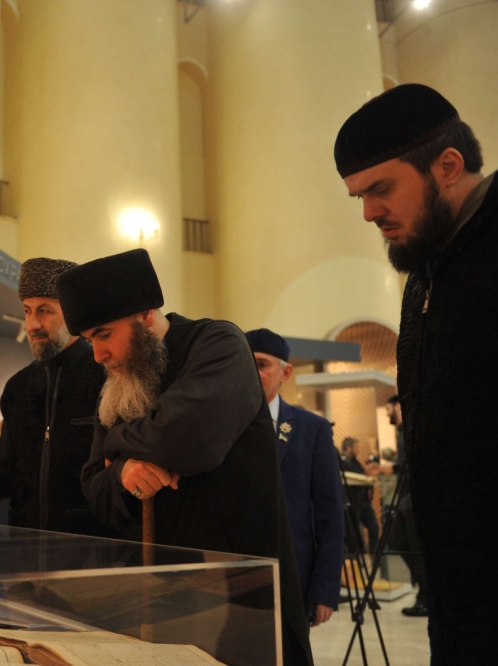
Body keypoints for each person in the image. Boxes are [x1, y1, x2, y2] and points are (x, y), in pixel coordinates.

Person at [335, 83, 498, 663]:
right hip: (466, 610)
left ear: (448, 166)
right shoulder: (427, 274)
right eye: (359, 196)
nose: (368, 212)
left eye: (381, 189)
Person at [59, 249, 313, 666]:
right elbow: (93, 486)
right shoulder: (121, 379)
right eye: (89, 341)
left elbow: (185, 441)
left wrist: (115, 444)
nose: (97, 355)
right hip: (152, 598)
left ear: (145, 315)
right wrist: (123, 474)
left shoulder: (217, 342)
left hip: (238, 589)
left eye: (104, 335)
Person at [0, 258, 112, 536]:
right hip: (24, 549)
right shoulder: (17, 387)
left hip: (91, 549)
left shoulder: (107, 377)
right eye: (27, 311)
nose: (33, 323)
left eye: (45, 310)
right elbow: (6, 471)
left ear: (72, 313)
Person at [246, 328, 344, 628]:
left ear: (285, 372)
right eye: (245, 363)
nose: (251, 372)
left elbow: (330, 513)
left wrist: (324, 589)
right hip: (235, 576)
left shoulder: (311, 429)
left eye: (262, 364)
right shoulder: (221, 425)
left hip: (294, 575)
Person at [384, 395, 428, 617]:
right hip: (404, 499)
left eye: (388, 408)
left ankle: (426, 597)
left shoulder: (408, 430)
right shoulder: (402, 431)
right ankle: (425, 592)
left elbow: (410, 462)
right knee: (398, 541)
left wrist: (390, 468)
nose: (387, 413)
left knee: (413, 547)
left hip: (410, 500)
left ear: (398, 406)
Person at [340, 437, 379, 559]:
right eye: (356, 447)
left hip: (364, 502)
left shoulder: (355, 461)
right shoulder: (343, 462)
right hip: (353, 503)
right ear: (349, 447)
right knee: (354, 533)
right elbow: (351, 478)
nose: (358, 450)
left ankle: (374, 555)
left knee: (374, 527)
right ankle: (356, 557)